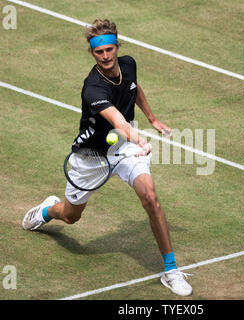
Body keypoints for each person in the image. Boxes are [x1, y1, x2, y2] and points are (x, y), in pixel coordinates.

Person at [22, 19, 192, 296]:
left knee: (150, 197)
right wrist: (140, 139)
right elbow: (119, 122)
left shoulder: (128, 64)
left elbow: (135, 89)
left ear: (117, 46)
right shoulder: (93, 88)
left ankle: (171, 270)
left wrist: (152, 118)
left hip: (124, 150)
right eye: (99, 52)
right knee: (70, 216)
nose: (106, 56)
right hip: (90, 158)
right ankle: (46, 210)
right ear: (92, 53)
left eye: (110, 49)